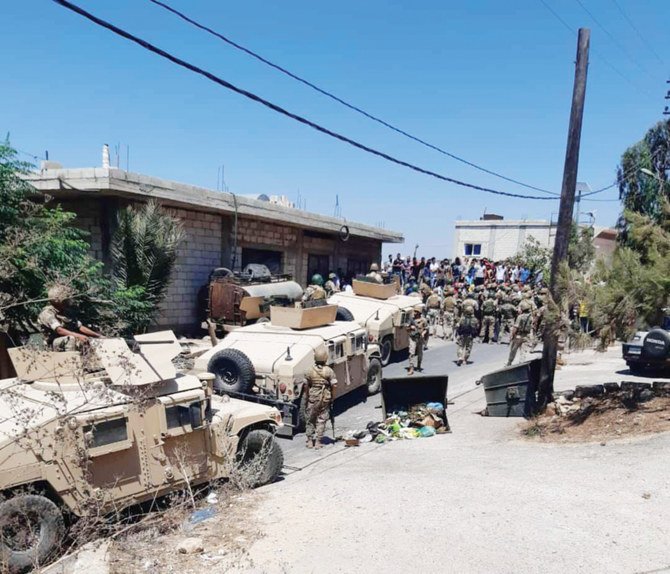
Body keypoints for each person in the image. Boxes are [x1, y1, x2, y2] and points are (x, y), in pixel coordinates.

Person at [38, 284, 102, 351]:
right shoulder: (47, 313)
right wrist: (78, 336)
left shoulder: (65, 311)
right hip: (52, 344)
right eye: (67, 299)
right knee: (71, 339)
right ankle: (71, 359)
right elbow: (59, 330)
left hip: (63, 340)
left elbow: (79, 326)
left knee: (85, 339)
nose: (69, 300)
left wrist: (98, 336)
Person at [305, 346, 337, 449]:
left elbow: (305, 385)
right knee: (321, 419)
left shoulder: (309, 370)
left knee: (310, 419)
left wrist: (307, 396)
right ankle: (318, 442)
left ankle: (310, 441)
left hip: (313, 398)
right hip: (324, 398)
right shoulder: (329, 371)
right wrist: (332, 397)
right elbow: (334, 385)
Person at [506, 300, 533, 366]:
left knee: (513, 350)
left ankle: (509, 362)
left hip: (518, 335)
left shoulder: (520, 317)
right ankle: (521, 363)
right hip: (526, 335)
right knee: (523, 351)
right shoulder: (531, 317)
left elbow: (516, 327)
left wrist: (512, 335)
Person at [407, 305, 427, 375]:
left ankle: (419, 365)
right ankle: (411, 368)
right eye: (414, 311)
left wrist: (423, 333)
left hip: (420, 338)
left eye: (416, 311)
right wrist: (411, 328)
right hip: (413, 338)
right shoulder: (411, 320)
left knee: (420, 353)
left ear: (419, 312)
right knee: (411, 353)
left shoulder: (423, 320)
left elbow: (426, 329)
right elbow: (407, 329)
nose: (414, 313)